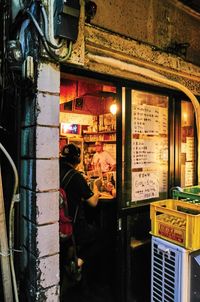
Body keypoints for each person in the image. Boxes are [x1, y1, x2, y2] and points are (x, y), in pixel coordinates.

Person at [59, 143, 108, 300]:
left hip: (59, 223)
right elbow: (92, 202)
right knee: (101, 235)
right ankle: (79, 261)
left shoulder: (55, 171)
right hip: (74, 226)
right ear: (77, 160)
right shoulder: (76, 176)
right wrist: (96, 188)